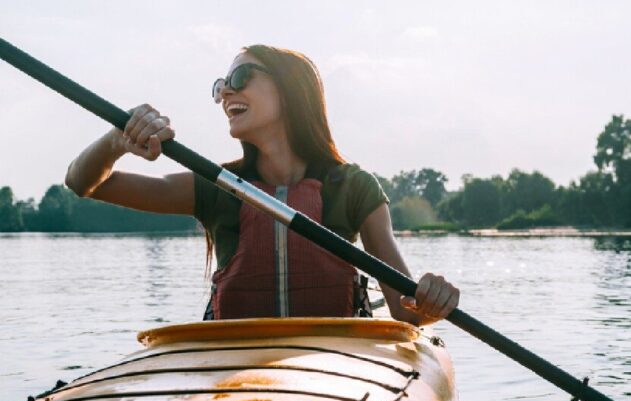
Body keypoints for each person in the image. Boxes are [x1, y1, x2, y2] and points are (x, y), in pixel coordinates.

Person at [65, 44, 458, 325]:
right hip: (235, 368)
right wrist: (117, 140)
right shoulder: (215, 186)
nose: (226, 93)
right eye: (221, 85)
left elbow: (404, 310)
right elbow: (85, 183)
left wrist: (432, 300)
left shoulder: (354, 188)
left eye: (240, 77)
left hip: (334, 366)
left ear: (291, 91)